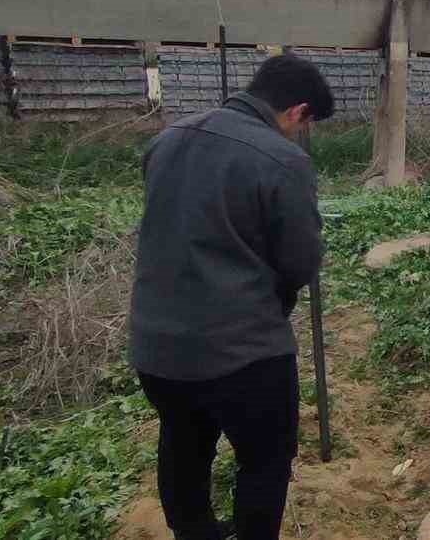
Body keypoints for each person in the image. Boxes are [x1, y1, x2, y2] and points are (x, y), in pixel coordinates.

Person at [130, 54, 335, 540]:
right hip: (242, 354)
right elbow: (300, 263)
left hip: (157, 347)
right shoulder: (283, 160)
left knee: (183, 444)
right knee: (264, 461)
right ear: (297, 111)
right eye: (305, 125)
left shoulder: (166, 140)